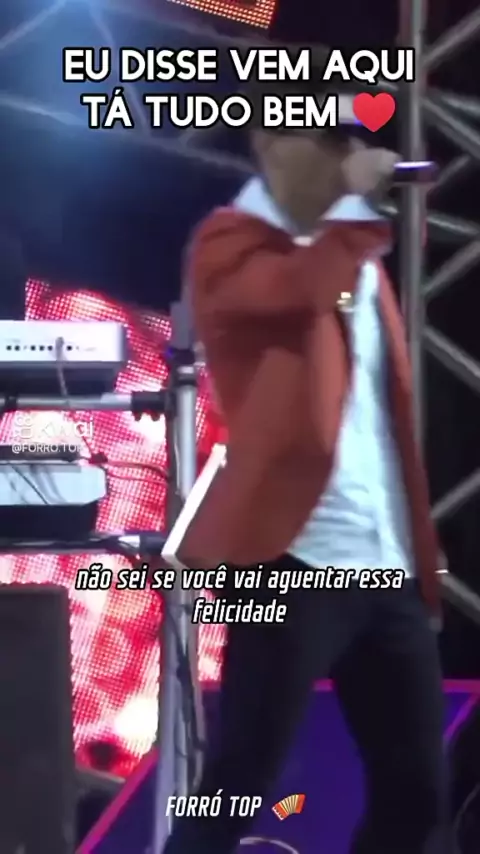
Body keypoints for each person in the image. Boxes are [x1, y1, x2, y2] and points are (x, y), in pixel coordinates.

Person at [163, 73, 450, 854]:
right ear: (268, 145)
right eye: (322, 140)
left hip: (381, 563)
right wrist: (356, 212)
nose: (340, 157)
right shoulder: (230, 244)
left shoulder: (354, 260)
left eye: (346, 140)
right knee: (237, 785)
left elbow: (380, 420)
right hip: (290, 560)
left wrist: (416, 549)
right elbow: (296, 293)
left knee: (417, 795)